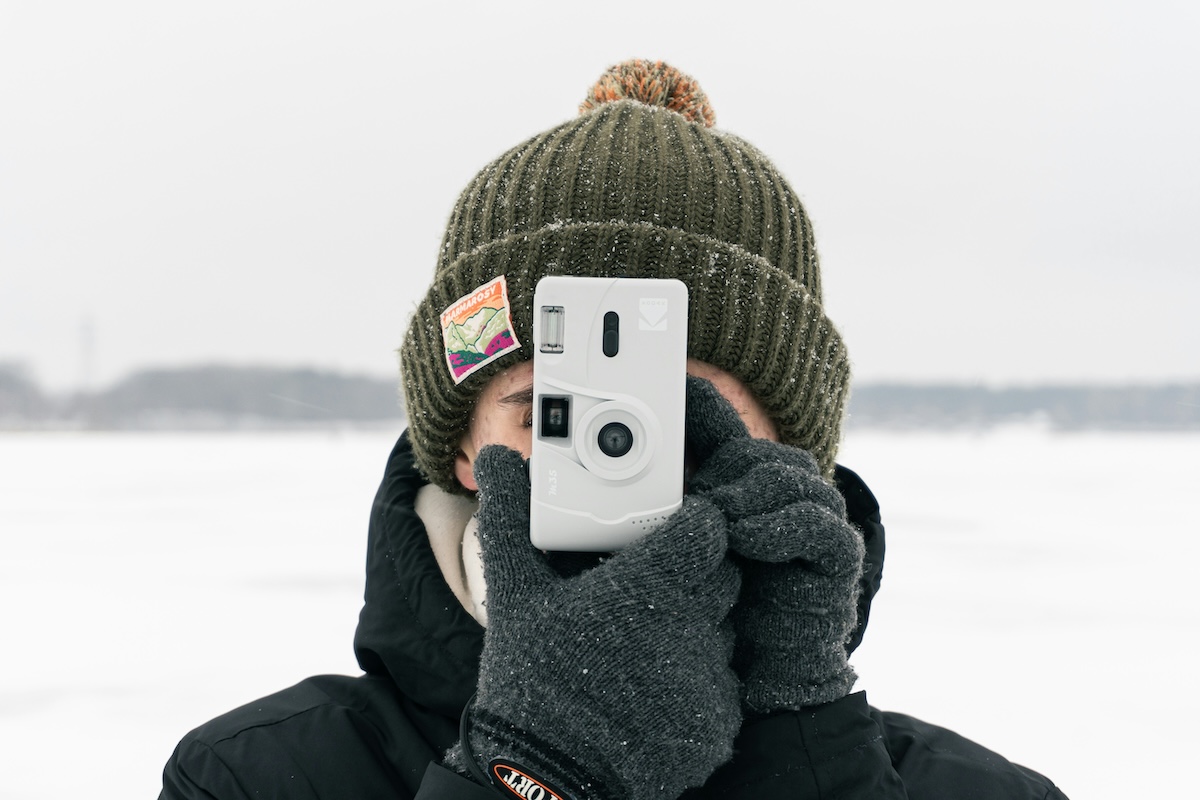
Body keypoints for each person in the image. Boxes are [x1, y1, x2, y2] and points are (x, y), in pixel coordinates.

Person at [159, 59, 1069, 799]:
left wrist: (803, 748)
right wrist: (530, 769)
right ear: (463, 450)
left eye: (684, 411)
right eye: (544, 410)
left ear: (790, 456)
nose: (616, 450)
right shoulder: (252, 779)